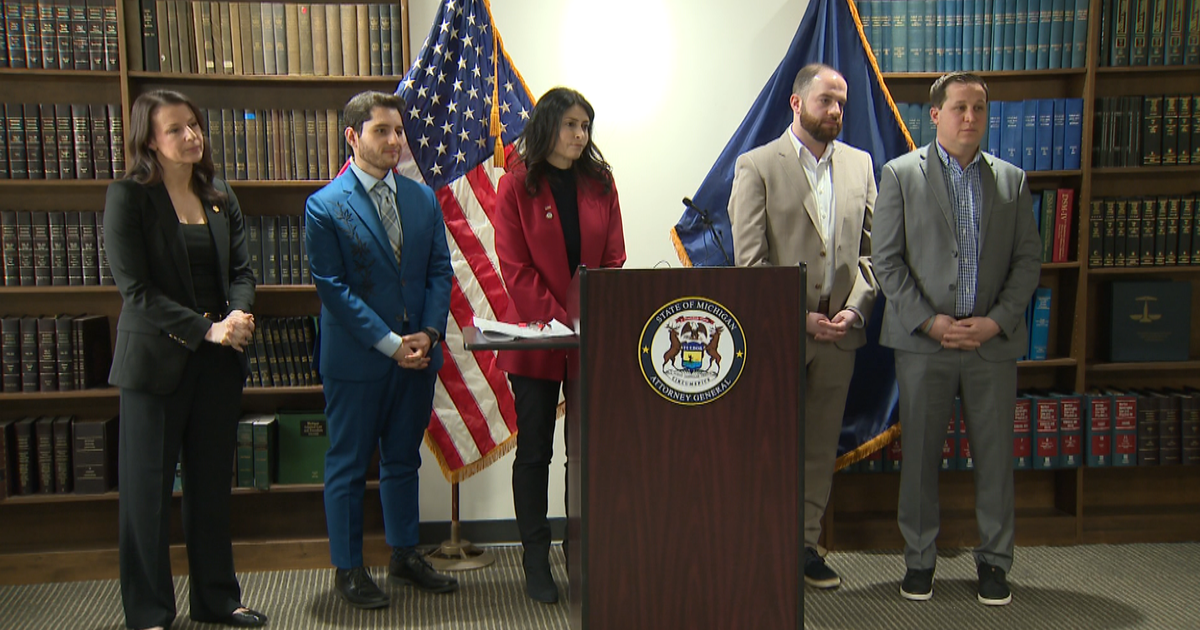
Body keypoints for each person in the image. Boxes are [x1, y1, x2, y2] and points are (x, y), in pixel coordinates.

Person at [873, 72, 1041, 606]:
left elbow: (1027, 262)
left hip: (990, 342)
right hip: (926, 343)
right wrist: (930, 321)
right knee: (920, 458)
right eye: (960, 108)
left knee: (995, 459)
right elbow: (886, 261)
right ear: (935, 115)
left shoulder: (1012, 181)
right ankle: (920, 560)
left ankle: (995, 562)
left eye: (979, 109)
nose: (970, 117)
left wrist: (996, 321)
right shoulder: (900, 175)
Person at [104, 90, 265, 629]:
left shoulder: (219, 194)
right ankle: (149, 611)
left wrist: (236, 316)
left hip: (217, 363)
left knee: (211, 487)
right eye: (175, 129)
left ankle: (217, 599)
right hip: (155, 365)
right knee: (147, 496)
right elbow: (137, 291)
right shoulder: (129, 197)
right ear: (150, 140)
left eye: (194, 125)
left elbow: (241, 271)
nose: (191, 136)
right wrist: (207, 328)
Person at [728, 63, 878, 590]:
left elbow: (874, 253)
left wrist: (854, 309)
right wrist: (800, 317)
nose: (835, 111)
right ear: (796, 103)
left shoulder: (860, 165)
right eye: (825, 101)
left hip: (841, 332)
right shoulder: (756, 165)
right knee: (769, 446)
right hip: (779, 333)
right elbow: (750, 263)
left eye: (842, 103)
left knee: (818, 448)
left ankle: (805, 548)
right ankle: (761, 548)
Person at [305, 91, 455, 609]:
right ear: (353, 136)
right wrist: (391, 344)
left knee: (403, 459)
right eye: (381, 131)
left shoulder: (422, 198)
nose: (394, 141)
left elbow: (439, 271)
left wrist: (429, 334)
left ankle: (404, 553)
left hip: (418, 357)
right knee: (348, 465)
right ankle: (349, 569)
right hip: (358, 360)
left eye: (398, 131)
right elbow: (333, 288)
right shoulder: (325, 205)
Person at [494, 87, 626, 604]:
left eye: (585, 126)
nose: (580, 135)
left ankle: (582, 553)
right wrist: (563, 321)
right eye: (571, 124)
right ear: (547, 127)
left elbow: (613, 258)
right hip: (536, 338)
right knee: (535, 453)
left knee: (585, 452)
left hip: (591, 338)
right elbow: (516, 269)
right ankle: (535, 558)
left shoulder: (601, 183)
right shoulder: (515, 185)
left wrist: (588, 318)